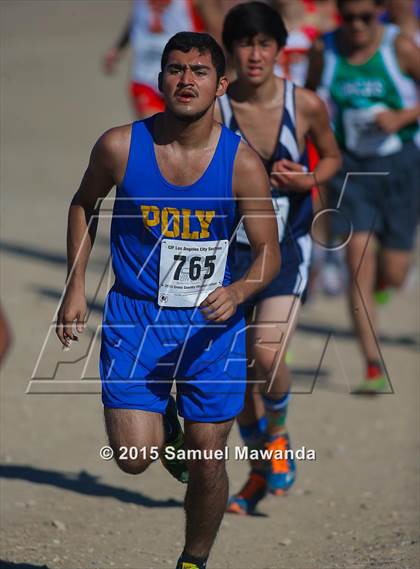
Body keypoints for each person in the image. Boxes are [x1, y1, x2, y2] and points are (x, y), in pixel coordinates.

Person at [57, 31, 280, 569]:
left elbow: (268, 252)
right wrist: (74, 288)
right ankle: (166, 424)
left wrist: (240, 290)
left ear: (221, 84)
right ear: (159, 80)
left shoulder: (241, 162)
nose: (186, 80)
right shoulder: (119, 146)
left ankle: (193, 560)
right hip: (137, 316)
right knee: (134, 458)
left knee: (208, 459)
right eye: (175, 69)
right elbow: (83, 205)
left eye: (199, 71)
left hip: (211, 324)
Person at [214, 1, 341, 514]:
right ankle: (258, 472)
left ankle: (280, 432)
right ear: (231, 49)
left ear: (279, 48)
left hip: (286, 247)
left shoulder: (304, 104)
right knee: (238, 374)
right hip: (226, 255)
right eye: (244, 43)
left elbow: (332, 155)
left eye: (265, 43)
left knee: (267, 355)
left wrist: (309, 179)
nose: (254, 54)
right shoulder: (214, 106)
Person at [306, 0, 420, 393]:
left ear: (379, 15)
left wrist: (402, 117)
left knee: (395, 272)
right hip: (352, 172)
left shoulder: (399, 47)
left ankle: (382, 290)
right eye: (348, 17)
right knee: (357, 264)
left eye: (365, 18)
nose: (355, 26)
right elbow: (307, 100)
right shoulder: (325, 49)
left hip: (401, 168)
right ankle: (372, 365)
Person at [103, 0, 204, 118]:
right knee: (153, 127)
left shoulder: (190, 3)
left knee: (179, 128)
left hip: (180, 78)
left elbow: (207, 29)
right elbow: (137, 20)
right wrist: (118, 48)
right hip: (144, 75)